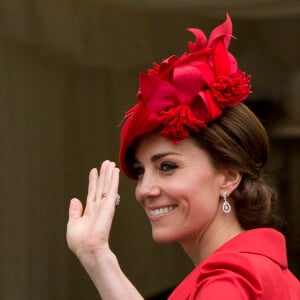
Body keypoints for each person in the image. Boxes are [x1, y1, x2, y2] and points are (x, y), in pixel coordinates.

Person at [66, 14, 299, 299]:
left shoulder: (231, 279)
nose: (144, 190)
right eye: (140, 171)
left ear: (228, 177)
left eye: (167, 166)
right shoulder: (252, 268)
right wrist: (95, 253)